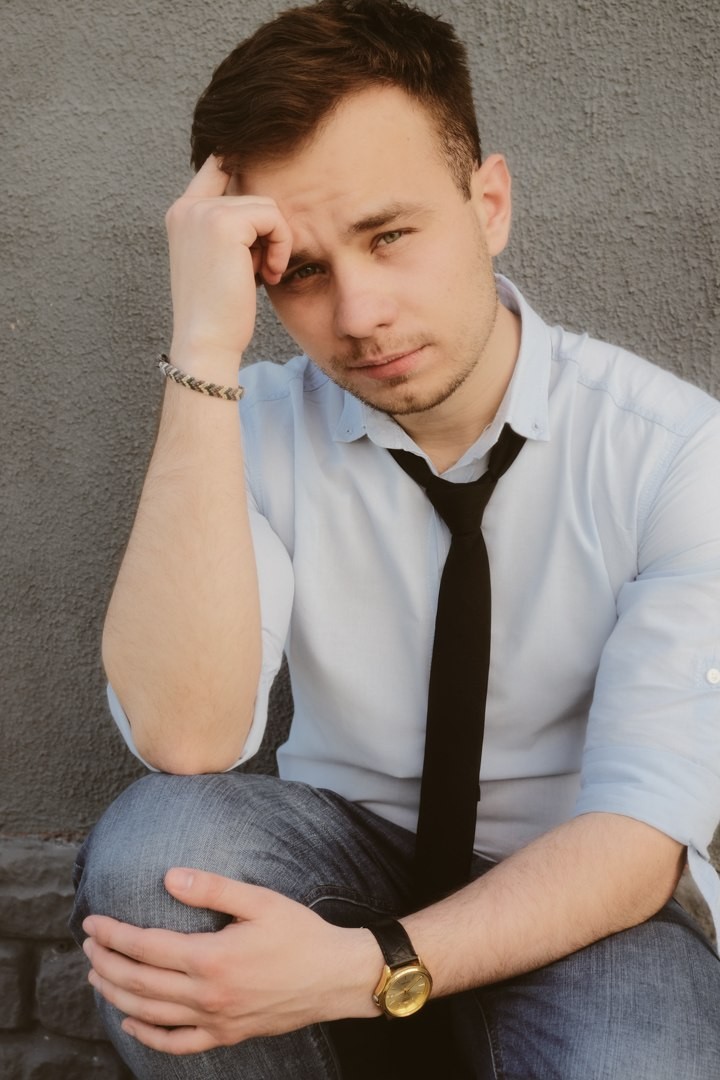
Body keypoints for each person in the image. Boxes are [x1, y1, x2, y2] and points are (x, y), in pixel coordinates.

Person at [71, 1, 720, 1076]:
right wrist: (203, 348)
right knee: (159, 856)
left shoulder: (675, 453)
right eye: (302, 270)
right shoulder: (250, 422)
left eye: (389, 236)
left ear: (489, 204)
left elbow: (638, 840)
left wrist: (366, 971)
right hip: (347, 861)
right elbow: (186, 741)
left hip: (584, 907)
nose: (359, 314)